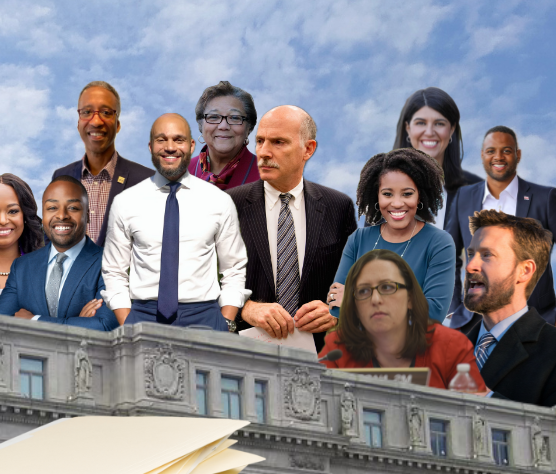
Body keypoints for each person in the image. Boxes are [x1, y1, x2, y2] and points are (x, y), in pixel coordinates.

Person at [102, 113, 248, 330]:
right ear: (151, 146)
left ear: (190, 146)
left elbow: (234, 267)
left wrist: (226, 322)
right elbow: (114, 270)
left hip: (205, 317)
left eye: (178, 140)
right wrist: (127, 322)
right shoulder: (125, 202)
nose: (170, 147)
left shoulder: (219, 201)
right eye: (161, 140)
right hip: (143, 316)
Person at [227, 105, 357, 349]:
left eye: (278, 142)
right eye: (260, 141)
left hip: (320, 360)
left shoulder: (339, 207)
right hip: (239, 359)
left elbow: (355, 282)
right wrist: (246, 308)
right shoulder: (227, 205)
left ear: (308, 149)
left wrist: (337, 308)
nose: (264, 152)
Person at [444, 126, 556, 329]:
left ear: (517, 155)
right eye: (491, 151)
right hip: (472, 322)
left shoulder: (544, 199)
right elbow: (447, 255)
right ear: (482, 155)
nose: (498, 157)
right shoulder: (463, 198)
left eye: (506, 150)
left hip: (533, 320)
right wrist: (453, 308)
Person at [458, 209, 556, 407]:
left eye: (486, 255)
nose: (470, 266)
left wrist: (484, 396)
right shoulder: (443, 351)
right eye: (471, 254)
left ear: (524, 270)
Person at [321, 249, 485, 391]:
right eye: (363, 291)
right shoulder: (336, 349)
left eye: (387, 287)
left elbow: (479, 417)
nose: (375, 299)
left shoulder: (451, 346)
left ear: (411, 298)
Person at [328, 149, 455, 323]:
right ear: (376, 195)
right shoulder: (358, 239)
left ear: (419, 197)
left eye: (407, 194)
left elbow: (432, 313)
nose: (396, 203)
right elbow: (336, 306)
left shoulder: (439, 243)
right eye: (387, 194)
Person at [0, 176, 117, 331]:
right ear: (43, 215)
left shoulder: (110, 262)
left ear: (87, 215)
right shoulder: (21, 267)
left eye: (73, 208)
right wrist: (77, 324)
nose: (61, 216)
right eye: (52, 208)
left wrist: (35, 320)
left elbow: (105, 326)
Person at [52, 81, 154, 248]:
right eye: (87, 112)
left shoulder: (146, 181)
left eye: (106, 112)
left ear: (118, 125)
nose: (96, 121)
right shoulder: (61, 177)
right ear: (78, 124)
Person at [393, 87, 480, 229]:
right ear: (408, 128)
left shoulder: (476, 191)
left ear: (451, 129)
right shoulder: (382, 186)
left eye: (439, 123)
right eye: (421, 123)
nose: (429, 132)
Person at [190, 80, 260, 190]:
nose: (223, 126)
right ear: (201, 124)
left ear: (249, 127)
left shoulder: (269, 178)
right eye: (213, 117)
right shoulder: (181, 173)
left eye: (235, 118)